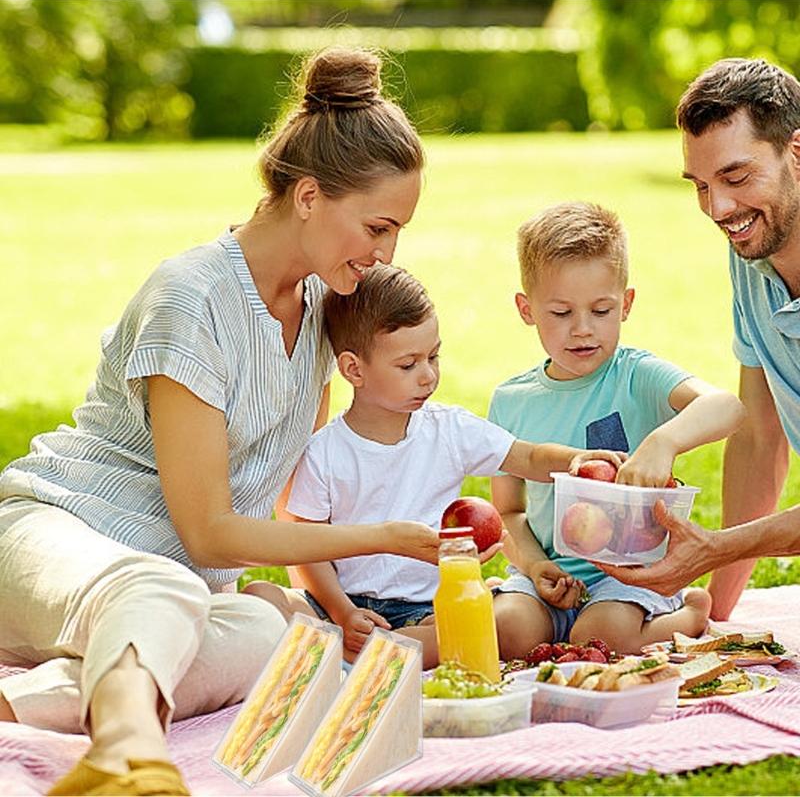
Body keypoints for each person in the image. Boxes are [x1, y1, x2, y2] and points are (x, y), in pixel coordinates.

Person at [0, 47, 441, 796]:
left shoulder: (319, 321)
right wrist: (385, 539)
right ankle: (127, 752)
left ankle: (21, 702)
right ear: (308, 197)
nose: (385, 253)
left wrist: (305, 592)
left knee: (274, 633)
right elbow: (207, 530)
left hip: (165, 589)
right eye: (376, 227)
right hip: (53, 537)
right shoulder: (192, 299)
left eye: (394, 232)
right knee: (166, 589)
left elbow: (276, 498)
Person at [250, 263, 624, 669]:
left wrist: (575, 461)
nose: (428, 376)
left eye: (433, 356)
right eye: (408, 365)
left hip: (429, 610)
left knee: (479, 629)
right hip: (341, 605)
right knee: (259, 596)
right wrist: (343, 612)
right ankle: (361, 649)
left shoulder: (449, 429)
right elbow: (308, 547)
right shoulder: (325, 452)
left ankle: (352, 654)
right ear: (354, 369)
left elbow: (527, 457)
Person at [489, 202, 745, 658]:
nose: (583, 330)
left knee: (599, 640)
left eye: (601, 310)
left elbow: (727, 406)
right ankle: (547, 611)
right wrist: (535, 566)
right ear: (526, 310)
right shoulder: (510, 401)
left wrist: (663, 441)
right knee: (507, 633)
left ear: (626, 304)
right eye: (561, 313)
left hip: (630, 578)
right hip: (549, 576)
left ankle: (687, 614)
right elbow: (508, 511)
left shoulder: (637, 375)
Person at [605, 58, 800, 617]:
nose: (719, 209)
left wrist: (713, 550)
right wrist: (715, 619)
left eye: (736, 178)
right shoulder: (753, 251)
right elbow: (761, 439)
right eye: (701, 186)